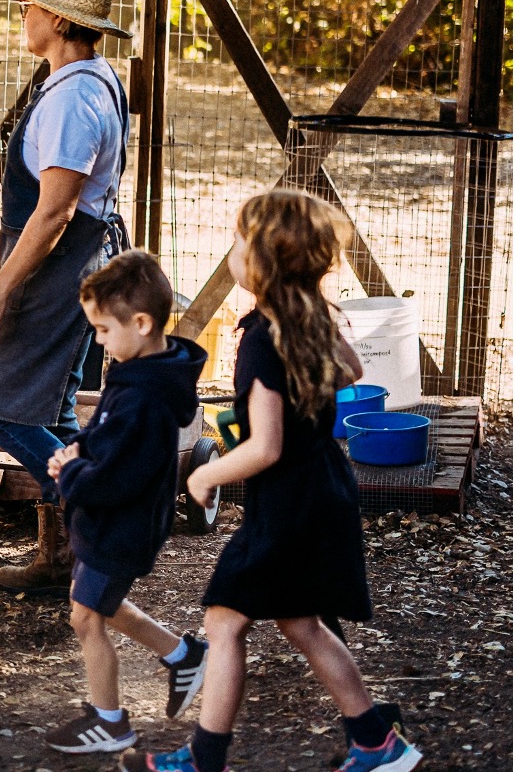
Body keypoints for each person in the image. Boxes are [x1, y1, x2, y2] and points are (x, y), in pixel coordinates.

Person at [124, 190, 419, 772]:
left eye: (237, 241)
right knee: (300, 622)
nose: (231, 250)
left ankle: (206, 760)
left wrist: (204, 473)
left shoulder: (262, 339)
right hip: (323, 488)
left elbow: (265, 445)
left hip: (287, 503)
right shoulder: (309, 315)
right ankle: (376, 743)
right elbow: (355, 370)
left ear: (262, 259)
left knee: (224, 620)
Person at [0, 0, 133, 593]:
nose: (25, 15)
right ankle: (62, 556)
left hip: (57, 266)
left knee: (0, 413)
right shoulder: (85, 80)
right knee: (58, 410)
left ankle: (98, 510)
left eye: (32, 7)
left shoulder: (74, 101)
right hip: (72, 261)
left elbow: (56, 210)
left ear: (60, 21)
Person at [40, 250, 209, 756]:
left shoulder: (146, 397)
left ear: (141, 322)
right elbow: (108, 439)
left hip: (122, 525)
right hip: (112, 523)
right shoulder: (139, 373)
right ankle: (182, 656)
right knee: (100, 606)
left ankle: (111, 723)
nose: (98, 341)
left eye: (104, 330)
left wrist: (72, 472)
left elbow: (120, 475)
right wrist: (80, 452)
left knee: (86, 616)